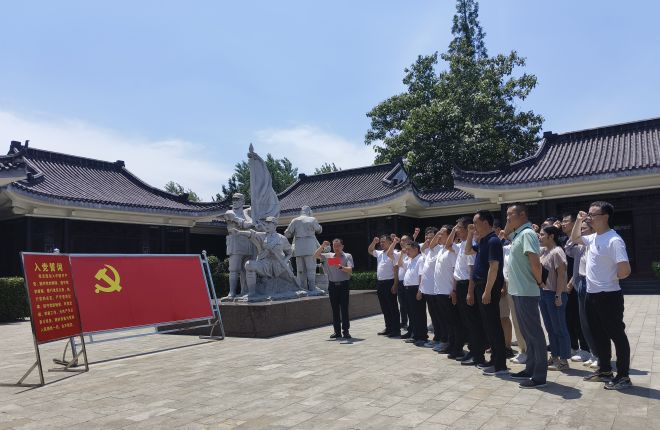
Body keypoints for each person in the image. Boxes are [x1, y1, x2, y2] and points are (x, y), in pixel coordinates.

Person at [570, 202, 632, 390]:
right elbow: (575, 238)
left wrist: (608, 278)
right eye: (588, 214)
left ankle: (623, 376)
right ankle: (605, 370)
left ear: (605, 216)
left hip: (609, 295)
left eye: (592, 215)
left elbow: (625, 270)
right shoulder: (593, 237)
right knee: (598, 334)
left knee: (617, 335)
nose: (588, 218)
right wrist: (578, 220)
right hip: (592, 294)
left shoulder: (614, 240)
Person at [504, 203, 548, 389]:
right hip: (518, 291)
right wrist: (509, 223)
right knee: (527, 334)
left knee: (534, 334)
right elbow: (505, 233)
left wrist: (539, 282)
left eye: (511, 215)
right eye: (506, 215)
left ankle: (539, 376)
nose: (507, 218)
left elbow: (535, 262)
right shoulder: (518, 234)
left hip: (527, 291)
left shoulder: (528, 234)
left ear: (522, 215)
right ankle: (530, 368)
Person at [467, 210, 507, 376]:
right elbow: (468, 250)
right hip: (480, 286)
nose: (474, 226)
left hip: (487, 287)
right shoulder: (483, 240)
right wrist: (470, 234)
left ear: (485, 223)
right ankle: (494, 360)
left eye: (475, 223)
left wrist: (488, 291)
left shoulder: (493, 241)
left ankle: (500, 365)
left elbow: (494, 268)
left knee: (493, 325)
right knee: (488, 326)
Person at [447, 217, 482, 365]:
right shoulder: (461, 244)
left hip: (468, 285)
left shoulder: (471, 244)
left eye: (459, 228)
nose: (456, 230)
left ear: (467, 229)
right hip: (460, 285)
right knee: (465, 321)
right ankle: (472, 351)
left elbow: (472, 271)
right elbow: (448, 245)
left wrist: (470, 292)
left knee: (472, 322)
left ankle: (476, 353)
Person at [565, 221, 599, 368]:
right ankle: (593, 353)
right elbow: (568, 249)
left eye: (584, 228)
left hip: (594, 284)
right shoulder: (579, 247)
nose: (581, 231)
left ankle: (600, 355)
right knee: (585, 322)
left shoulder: (595, 244)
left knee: (595, 322)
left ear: (592, 229)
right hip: (581, 284)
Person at [539, 225, 571, 371]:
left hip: (555, 294)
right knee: (550, 328)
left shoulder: (557, 251)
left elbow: (562, 275)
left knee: (559, 327)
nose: (540, 237)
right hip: (544, 293)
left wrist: (558, 295)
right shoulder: (544, 251)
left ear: (551, 236)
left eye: (542, 234)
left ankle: (564, 359)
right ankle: (555, 355)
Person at [560, 213, 590, 362]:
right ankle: (573, 346)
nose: (563, 223)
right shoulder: (572, 243)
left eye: (566, 221)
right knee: (569, 318)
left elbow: (576, 267)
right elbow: (568, 250)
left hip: (578, 284)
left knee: (581, 319)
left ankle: (586, 349)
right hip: (570, 285)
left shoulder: (588, 244)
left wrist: (572, 282)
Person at [433, 225, 464, 358]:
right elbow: (432, 244)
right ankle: (451, 345)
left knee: (454, 322)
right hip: (440, 291)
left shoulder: (453, 250)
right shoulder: (441, 250)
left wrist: (454, 291)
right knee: (447, 322)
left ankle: (458, 348)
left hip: (448, 292)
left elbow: (455, 271)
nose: (439, 236)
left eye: (442, 234)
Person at [315, 238, 354, 339]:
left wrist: (340, 267)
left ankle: (346, 331)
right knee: (335, 309)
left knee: (344, 309)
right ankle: (337, 332)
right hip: (332, 286)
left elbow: (350, 270)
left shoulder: (347, 256)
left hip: (343, 285)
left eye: (338, 246)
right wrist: (322, 246)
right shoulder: (329, 256)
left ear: (342, 246)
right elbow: (316, 255)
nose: (336, 248)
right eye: (334, 246)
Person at [221, 193, 254, 300]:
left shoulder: (245, 213)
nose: (234, 201)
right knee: (234, 269)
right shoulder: (229, 212)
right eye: (233, 199)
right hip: (235, 242)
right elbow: (246, 224)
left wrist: (247, 213)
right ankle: (232, 293)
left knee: (246, 269)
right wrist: (247, 219)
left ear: (243, 201)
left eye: (237, 199)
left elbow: (251, 223)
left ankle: (245, 291)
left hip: (247, 242)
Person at [284, 205, 324, 295]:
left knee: (300, 269)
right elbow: (319, 230)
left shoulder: (295, 220)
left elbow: (287, 234)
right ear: (309, 211)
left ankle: (303, 287)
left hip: (299, 247)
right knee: (311, 268)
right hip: (309, 246)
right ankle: (312, 288)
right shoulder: (312, 219)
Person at [501, 231, 527, 365]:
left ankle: (528, 351)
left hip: (521, 284)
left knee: (522, 319)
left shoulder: (523, 247)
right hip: (508, 283)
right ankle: (523, 350)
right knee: (516, 320)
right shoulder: (505, 248)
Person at [369, 234, 400, 337]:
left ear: (390, 242)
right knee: (384, 307)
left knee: (392, 307)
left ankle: (396, 330)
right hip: (380, 283)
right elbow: (370, 250)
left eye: (384, 242)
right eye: (381, 242)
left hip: (390, 282)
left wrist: (395, 284)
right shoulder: (379, 253)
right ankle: (388, 327)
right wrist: (374, 242)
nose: (381, 244)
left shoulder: (394, 253)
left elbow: (396, 270)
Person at [396, 241, 427, 345]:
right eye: (406, 249)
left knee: (419, 314)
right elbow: (400, 264)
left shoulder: (420, 259)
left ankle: (421, 336)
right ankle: (415, 334)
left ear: (416, 249)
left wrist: (419, 291)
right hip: (408, 289)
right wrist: (402, 254)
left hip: (415, 289)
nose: (407, 251)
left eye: (409, 249)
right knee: (412, 314)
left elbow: (421, 276)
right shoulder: (410, 259)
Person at [419, 227, 444, 349]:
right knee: (433, 316)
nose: (428, 240)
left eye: (431, 238)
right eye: (427, 238)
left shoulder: (440, 249)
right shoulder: (427, 251)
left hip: (436, 290)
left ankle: (442, 338)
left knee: (440, 317)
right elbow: (421, 248)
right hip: (427, 290)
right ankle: (437, 337)